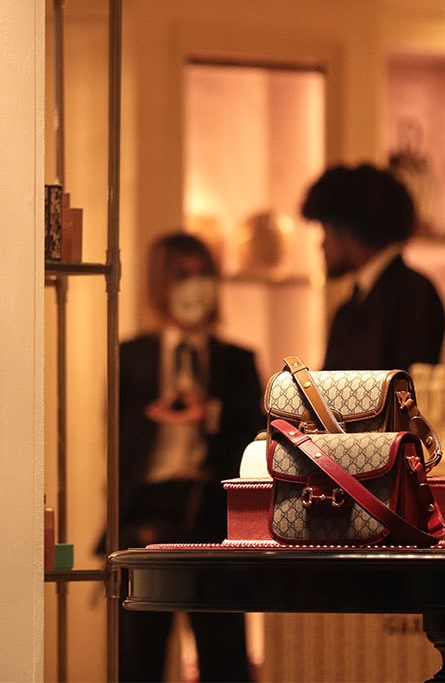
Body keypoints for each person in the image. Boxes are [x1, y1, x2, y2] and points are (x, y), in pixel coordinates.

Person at [109, 231, 263, 682]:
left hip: (213, 514)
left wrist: (210, 413)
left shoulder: (237, 361)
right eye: (182, 275)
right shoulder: (131, 356)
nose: (194, 286)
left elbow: (251, 442)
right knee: (137, 655)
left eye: (203, 275)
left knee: (224, 651)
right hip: (147, 515)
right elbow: (117, 441)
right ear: (160, 282)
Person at [301, 163, 445, 371]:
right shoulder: (353, 305)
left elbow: (407, 388)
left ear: (348, 231)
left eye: (325, 230)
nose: (321, 245)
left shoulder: (413, 294)